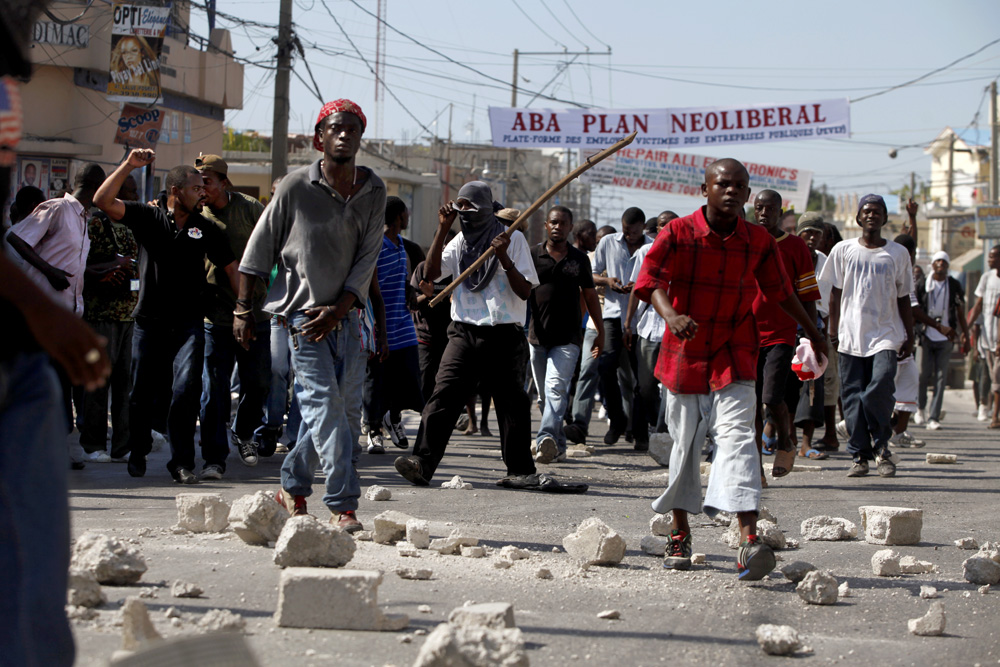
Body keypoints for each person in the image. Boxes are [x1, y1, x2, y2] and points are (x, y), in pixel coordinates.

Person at [634, 158, 825, 579]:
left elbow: (781, 291)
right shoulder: (678, 232)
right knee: (685, 447)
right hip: (684, 352)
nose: (732, 191)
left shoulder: (759, 241)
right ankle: (680, 533)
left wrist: (814, 332)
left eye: (740, 185)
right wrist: (670, 315)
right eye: (723, 184)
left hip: (736, 349)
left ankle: (748, 537)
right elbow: (649, 282)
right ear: (705, 189)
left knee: (740, 438)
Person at [237, 99, 384, 532]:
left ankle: (292, 487)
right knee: (325, 409)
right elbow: (257, 253)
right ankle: (343, 504)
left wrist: (341, 309)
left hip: (349, 319)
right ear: (320, 137)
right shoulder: (296, 187)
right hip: (304, 322)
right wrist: (244, 310)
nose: (344, 135)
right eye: (335, 128)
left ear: (360, 138)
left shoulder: (373, 190)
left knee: (343, 414)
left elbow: (368, 257)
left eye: (352, 129)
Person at [94, 149, 241, 483]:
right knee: (141, 392)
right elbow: (103, 200)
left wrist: (244, 310)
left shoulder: (205, 229)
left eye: (203, 188)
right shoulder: (148, 218)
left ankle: (181, 462)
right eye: (194, 188)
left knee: (186, 389)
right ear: (176, 191)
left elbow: (231, 268)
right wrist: (129, 165)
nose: (202, 192)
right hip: (149, 321)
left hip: (189, 323)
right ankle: (138, 447)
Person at [394, 181, 539, 487]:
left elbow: (525, 291)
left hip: (503, 334)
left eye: (471, 207)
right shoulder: (459, 241)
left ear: (487, 208)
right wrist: (442, 228)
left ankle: (521, 470)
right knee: (442, 396)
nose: (465, 214)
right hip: (462, 332)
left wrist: (503, 258)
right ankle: (422, 462)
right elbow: (432, 274)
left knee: (511, 403)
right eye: (460, 207)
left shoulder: (512, 240)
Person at [7, 163, 107, 433]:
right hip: (43, 319)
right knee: (45, 391)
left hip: (69, 317)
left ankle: (60, 448)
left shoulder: (85, 218)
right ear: (96, 187)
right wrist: (49, 271)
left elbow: (73, 265)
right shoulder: (57, 208)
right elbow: (16, 238)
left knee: (63, 391)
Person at [819, 194, 914, 478]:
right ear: (859, 218)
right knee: (852, 397)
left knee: (879, 387)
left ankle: (882, 445)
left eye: (877, 211)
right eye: (867, 211)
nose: (871, 215)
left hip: (886, 334)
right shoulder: (843, 249)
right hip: (850, 335)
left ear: (885, 218)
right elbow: (834, 293)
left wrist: (909, 336)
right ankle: (861, 456)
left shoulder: (897, 253)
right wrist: (832, 329)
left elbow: (904, 297)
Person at [194, 153, 271, 477]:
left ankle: (243, 432)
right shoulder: (195, 216)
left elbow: (276, 243)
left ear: (224, 183)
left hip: (255, 314)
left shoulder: (249, 208)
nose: (202, 189)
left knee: (259, 384)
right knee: (214, 390)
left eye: (207, 182)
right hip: (216, 317)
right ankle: (214, 456)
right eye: (197, 183)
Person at [750, 190, 820, 479]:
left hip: (781, 332)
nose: (764, 213)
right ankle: (755, 468)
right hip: (746, 332)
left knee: (771, 395)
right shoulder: (745, 241)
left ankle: (786, 440)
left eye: (771, 208)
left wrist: (814, 336)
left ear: (781, 212)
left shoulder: (795, 247)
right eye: (759, 208)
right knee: (750, 404)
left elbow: (807, 296)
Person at [528, 205, 603, 463]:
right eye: (553, 222)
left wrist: (600, 331)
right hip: (537, 337)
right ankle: (558, 445)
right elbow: (519, 291)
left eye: (563, 223)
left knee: (556, 388)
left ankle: (545, 437)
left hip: (568, 338)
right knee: (544, 396)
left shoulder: (579, 259)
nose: (558, 227)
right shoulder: (532, 255)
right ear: (546, 226)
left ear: (570, 227)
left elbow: (591, 297)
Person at [78, 176, 141, 463]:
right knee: (99, 382)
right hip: (100, 313)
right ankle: (93, 443)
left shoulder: (132, 225)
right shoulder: (95, 224)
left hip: (127, 315)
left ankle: (122, 445)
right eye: (127, 192)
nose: (132, 197)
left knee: (123, 385)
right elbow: (81, 263)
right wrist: (108, 267)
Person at [362, 196, 425, 454]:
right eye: (406, 213)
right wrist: (378, 330)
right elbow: (370, 289)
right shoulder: (375, 246)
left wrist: (410, 292)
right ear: (399, 216)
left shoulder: (400, 244)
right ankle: (374, 430)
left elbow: (402, 279)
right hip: (379, 325)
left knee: (409, 377)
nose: (408, 216)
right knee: (375, 381)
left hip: (402, 324)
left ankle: (393, 417)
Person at [592, 207, 651, 446]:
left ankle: (639, 431)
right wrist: (608, 281)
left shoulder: (651, 246)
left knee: (642, 379)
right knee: (605, 367)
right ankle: (617, 420)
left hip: (641, 320)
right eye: (626, 231)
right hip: (613, 315)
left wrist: (639, 286)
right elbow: (591, 273)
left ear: (643, 227)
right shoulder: (608, 242)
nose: (629, 236)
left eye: (634, 231)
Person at [624, 210, 678, 448]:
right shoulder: (646, 252)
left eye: (670, 225)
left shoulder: (686, 253)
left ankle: (662, 433)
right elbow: (637, 288)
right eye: (662, 225)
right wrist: (628, 323)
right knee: (645, 386)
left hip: (673, 331)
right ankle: (646, 428)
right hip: (647, 329)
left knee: (669, 388)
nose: (665, 229)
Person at [915, 251, 969, 430]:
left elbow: (960, 311)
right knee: (923, 374)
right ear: (932, 264)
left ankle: (934, 416)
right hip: (926, 335)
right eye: (938, 261)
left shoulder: (953, 285)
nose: (941, 264)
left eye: (944, 262)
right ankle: (920, 408)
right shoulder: (923, 284)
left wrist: (965, 335)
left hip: (946, 337)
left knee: (941, 377)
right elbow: (915, 310)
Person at [965, 245, 1000, 428]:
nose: (989, 259)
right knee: (990, 377)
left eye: (993, 256)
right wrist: (966, 329)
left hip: (998, 340)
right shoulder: (987, 278)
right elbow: (978, 306)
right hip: (987, 338)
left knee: (996, 377)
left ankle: (994, 416)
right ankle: (989, 411)